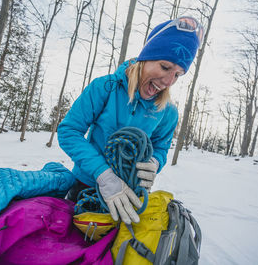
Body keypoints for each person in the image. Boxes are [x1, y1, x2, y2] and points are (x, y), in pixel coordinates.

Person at [58, 16, 203, 225]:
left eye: (178, 75)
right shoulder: (104, 88)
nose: (168, 81)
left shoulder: (168, 111)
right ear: (146, 57)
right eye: (164, 67)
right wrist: (103, 174)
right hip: (85, 185)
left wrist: (155, 162)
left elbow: (160, 147)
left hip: (130, 194)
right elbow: (69, 131)